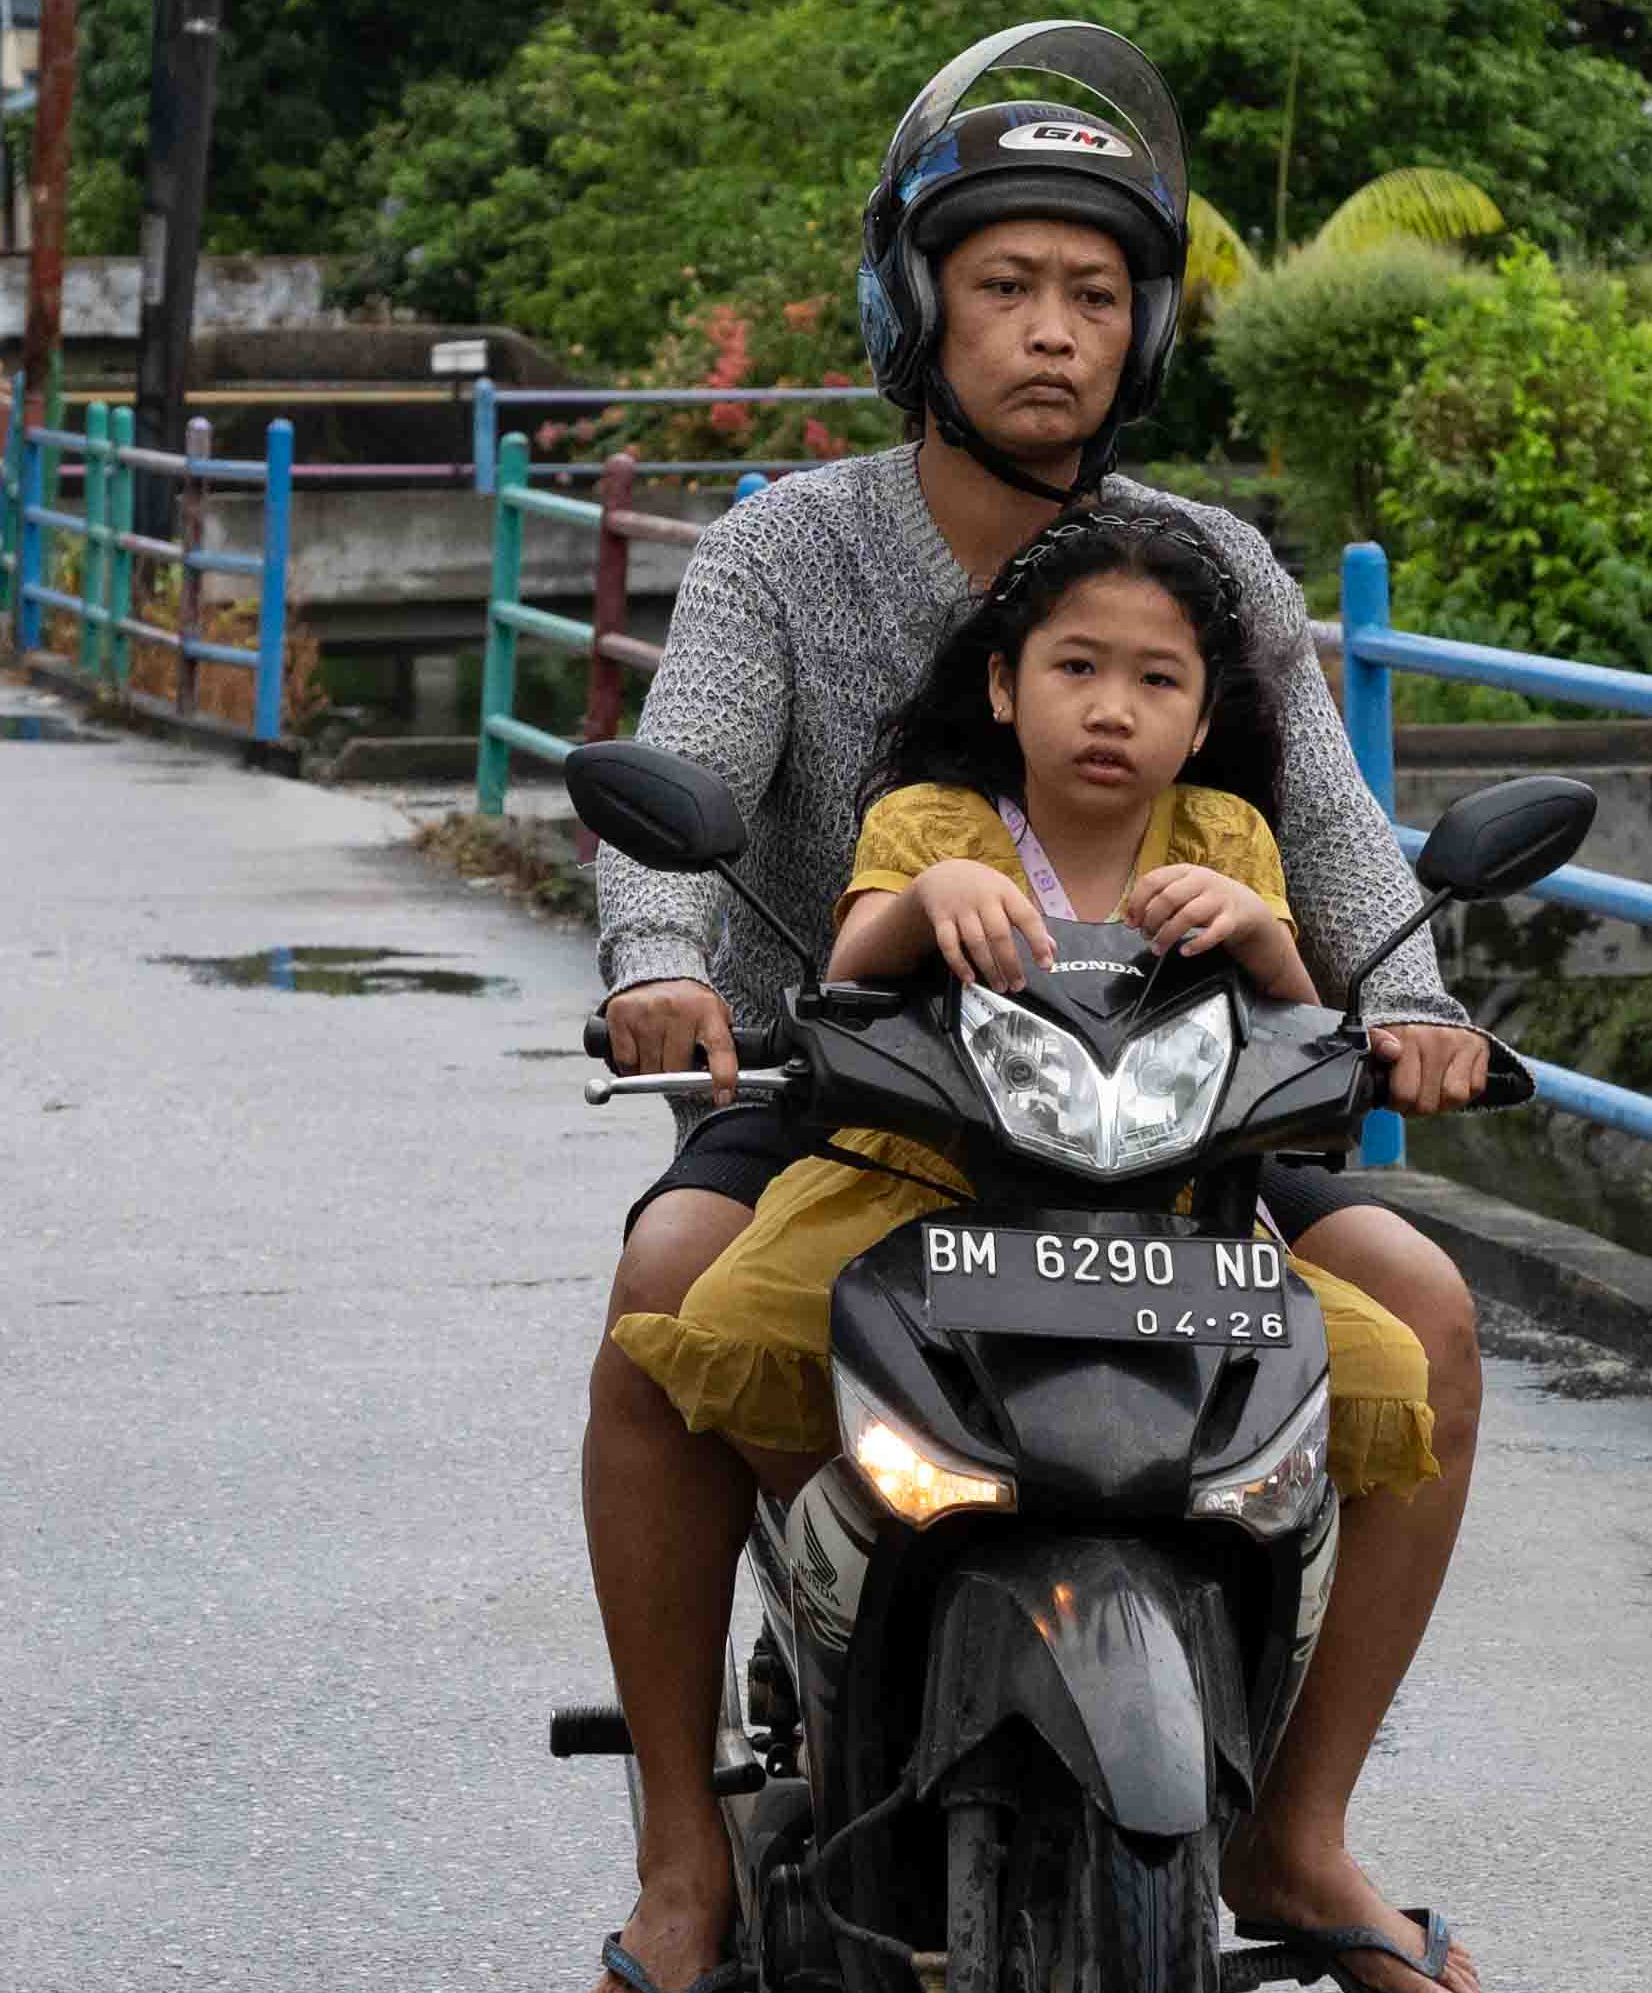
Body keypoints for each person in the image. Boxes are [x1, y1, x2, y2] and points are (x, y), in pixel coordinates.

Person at [582, 24, 1494, 1993]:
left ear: (1146, 326)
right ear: (919, 303)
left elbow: (1333, 824)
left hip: (1174, 1120)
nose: (1053, 333)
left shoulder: (1207, 572)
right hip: (856, 1110)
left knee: (1424, 1304)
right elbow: (692, 785)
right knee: (658, 1295)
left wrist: (1414, 999)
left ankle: (1301, 1822)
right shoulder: (784, 553)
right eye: (1007, 283)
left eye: (1094, 292)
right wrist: (661, 963)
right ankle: (685, 1851)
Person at [599, 502, 1445, 1525]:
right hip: (923, 1181)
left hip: (1173, 1206)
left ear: (1204, 719)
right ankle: (847, 1544)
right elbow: (850, 967)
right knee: (733, 1314)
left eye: (1158, 680)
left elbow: (1300, 1038)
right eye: (1076, 667)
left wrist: (1264, 936)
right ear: (1003, 685)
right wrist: (926, 897)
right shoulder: (929, 820)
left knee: (1385, 1358)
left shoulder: (1226, 836)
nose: (1113, 709)